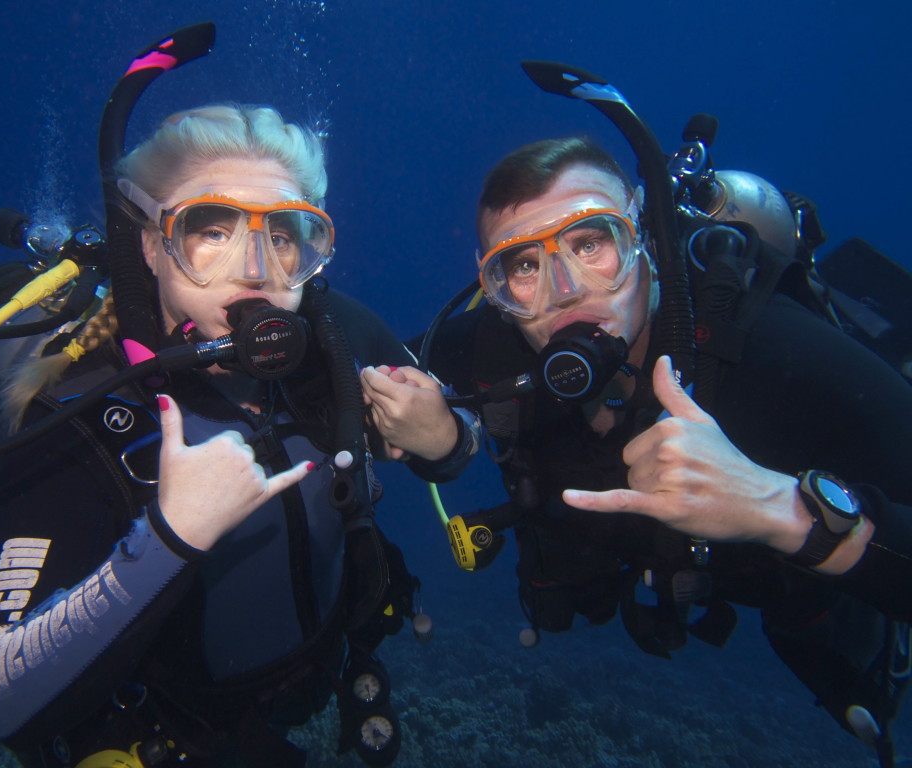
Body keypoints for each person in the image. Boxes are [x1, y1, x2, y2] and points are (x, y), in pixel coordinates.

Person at [364, 135, 912, 762]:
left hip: (796, 588)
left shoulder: (781, 359)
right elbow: (339, 388)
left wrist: (779, 509)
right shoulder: (491, 345)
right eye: (522, 266)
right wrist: (447, 443)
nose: (564, 290)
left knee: (834, 656)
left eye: (591, 243)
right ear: (494, 283)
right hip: (624, 578)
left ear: (643, 237)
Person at [0, 103, 477, 768]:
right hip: (177, 727)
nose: (257, 270)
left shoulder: (333, 336)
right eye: (211, 230)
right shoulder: (83, 411)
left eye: (286, 236)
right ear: (152, 245)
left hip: (319, 665)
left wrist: (448, 439)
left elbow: (450, 438)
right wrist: (169, 538)